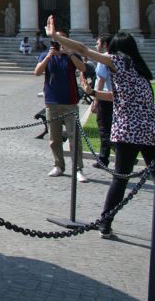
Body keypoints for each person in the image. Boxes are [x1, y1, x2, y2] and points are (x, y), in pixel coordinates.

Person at [54, 17, 155, 239]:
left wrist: (56, 37)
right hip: (147, 132)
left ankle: (105, 222)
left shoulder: (119, 62)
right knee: (122, 179)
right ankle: (105, 222)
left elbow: (83, 49)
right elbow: (120, 96)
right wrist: (93, 94)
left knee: (120, 179)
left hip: (129, 132)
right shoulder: (140, 70)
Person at [34, 33, 87, 181]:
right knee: (54, 138)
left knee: (74, 137)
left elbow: (82, 68)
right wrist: (48, 56)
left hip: (70, 102)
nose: (58, 43)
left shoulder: (72, 55)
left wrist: (69, 53)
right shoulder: (46, 54)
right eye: (55, 40)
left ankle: (78, 168)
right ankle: (58, 165)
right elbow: (37, 72)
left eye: (61, 40)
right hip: (52, 102)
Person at [90, 33, 115, 168]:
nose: (96, 46)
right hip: (115, 98)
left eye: (98, 43)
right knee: (112, 127)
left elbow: (100, 80)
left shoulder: (103, 59)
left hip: (104, 97)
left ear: (105, 44)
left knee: (104, 129)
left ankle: (105, 158)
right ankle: (105, 157)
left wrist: (95, 100)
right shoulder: (118, 58)